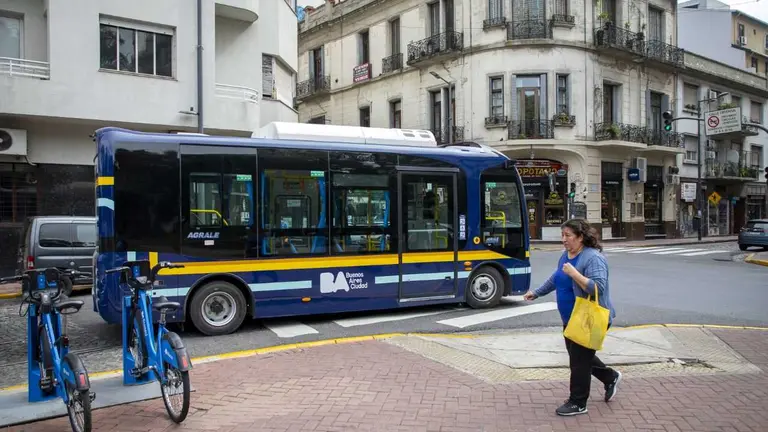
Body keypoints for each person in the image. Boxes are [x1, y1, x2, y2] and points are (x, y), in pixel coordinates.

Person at [523, 218, 621, 416]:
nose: (564, 240)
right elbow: (557, 277)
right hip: (572, 318)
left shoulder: (593, 258)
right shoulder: (566, 255)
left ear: (581, 237)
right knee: (581, 357)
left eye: (568, 235)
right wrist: (538, 292)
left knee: (578, 361)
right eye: (562, 235)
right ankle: (610, 377)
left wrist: (575, 273)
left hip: (589, 319)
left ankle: (578, 402)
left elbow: (597, 287)